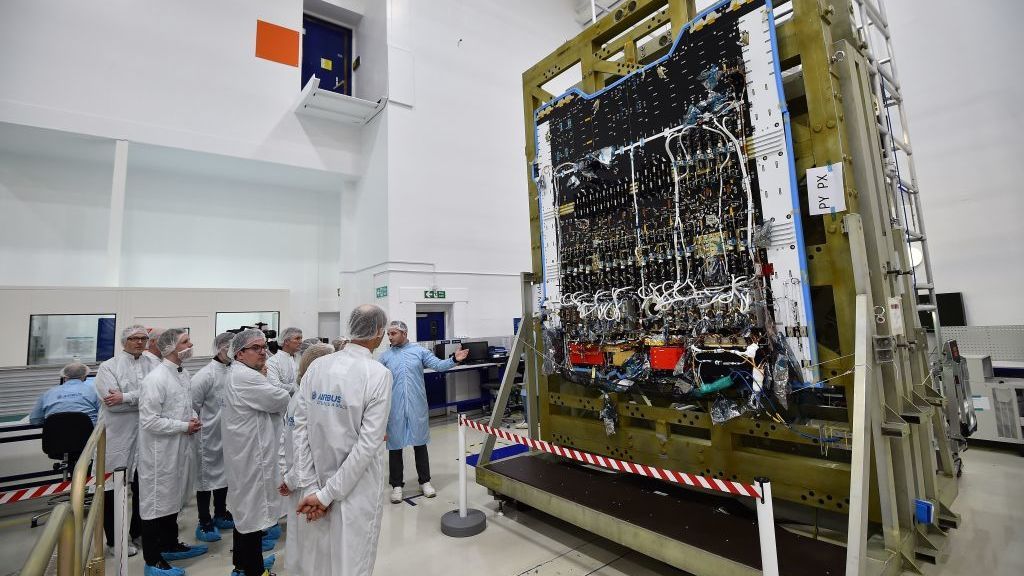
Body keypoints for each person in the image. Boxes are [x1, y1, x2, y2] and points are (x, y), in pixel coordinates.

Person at [293, 304, 393, 576]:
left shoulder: (317, 367)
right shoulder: (377, 374)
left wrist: (311, 487)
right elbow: (367, 445)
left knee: (319, 562)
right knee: (353, 564)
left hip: (315, 487)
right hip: (355, 490)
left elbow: (300, 429)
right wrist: (326, 495)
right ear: (379, 333)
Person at [222, 329, 291, 576]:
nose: (263, 352)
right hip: (251, 456)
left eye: (264, 347)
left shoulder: (242, 373)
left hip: (246, 452)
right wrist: (270, 382)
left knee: (245, 512)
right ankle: (254, 570)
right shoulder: (246, 377)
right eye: (256, 348)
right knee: (252, 515)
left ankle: (242, 565)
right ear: (240, 353)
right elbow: (280, 399)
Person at [138, 328, 207, 576]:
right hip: (160, 454)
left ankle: (170, 545)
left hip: (179, 448)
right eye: (185, 341)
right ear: (170, 347)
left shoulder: (183, 374)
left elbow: (187, 405)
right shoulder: (155, 379)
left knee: (173, 500)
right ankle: (152, 560)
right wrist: (184, 426)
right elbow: (149, 421)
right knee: (155, 505)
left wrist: (194, 419)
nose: (191, 344)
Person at [379, 320, 468, 502]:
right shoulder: (385, 356)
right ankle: (396, 485)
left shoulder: (419, 351)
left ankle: (425, 481)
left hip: (417, 405)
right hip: (394, 407)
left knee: (420, 443)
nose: (390, 337)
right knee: (395, 446)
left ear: (404, 333)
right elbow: (376, 379)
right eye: (388, 334)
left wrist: (454, 359)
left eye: (393, 333)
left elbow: (438, 365)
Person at [94, 324, 151, 557]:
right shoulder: (109, 367)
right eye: (134, 338)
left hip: (145, 437)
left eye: (143, 338)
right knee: (114, 489)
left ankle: (140, 532)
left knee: (143, 488)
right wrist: (142, 399)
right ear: (123, 341)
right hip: (117, 438)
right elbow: (112, 404)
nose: (139, 342)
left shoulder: (153, 364)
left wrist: (126, 397)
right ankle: (116, 541)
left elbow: (160, 397)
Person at [278, 342, 333, 576]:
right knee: (312, 548)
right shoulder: (305, 401)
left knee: (301, 544)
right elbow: (300, 447)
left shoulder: (299, 397)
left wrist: (287, 475)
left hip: (298, 482)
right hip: (308, 486)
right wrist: (292, 479)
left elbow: (285, 441)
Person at [191, 332, 236, 543]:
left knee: (224, 476)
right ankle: (204, 520)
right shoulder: (205, 375)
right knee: (205, 479)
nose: (233, 352)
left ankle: (221, 512)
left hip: (229, 433)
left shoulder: (235, 370)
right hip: (207, 435)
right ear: (219, 348)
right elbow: (191, 406)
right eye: (230, 348)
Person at [30, 362, 99, 425]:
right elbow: (103, 416)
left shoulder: (48, 393)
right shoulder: (95, 392)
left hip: (55, 437)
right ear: (85, 376)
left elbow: (34, 420)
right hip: (89, 437)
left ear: (64, 377)